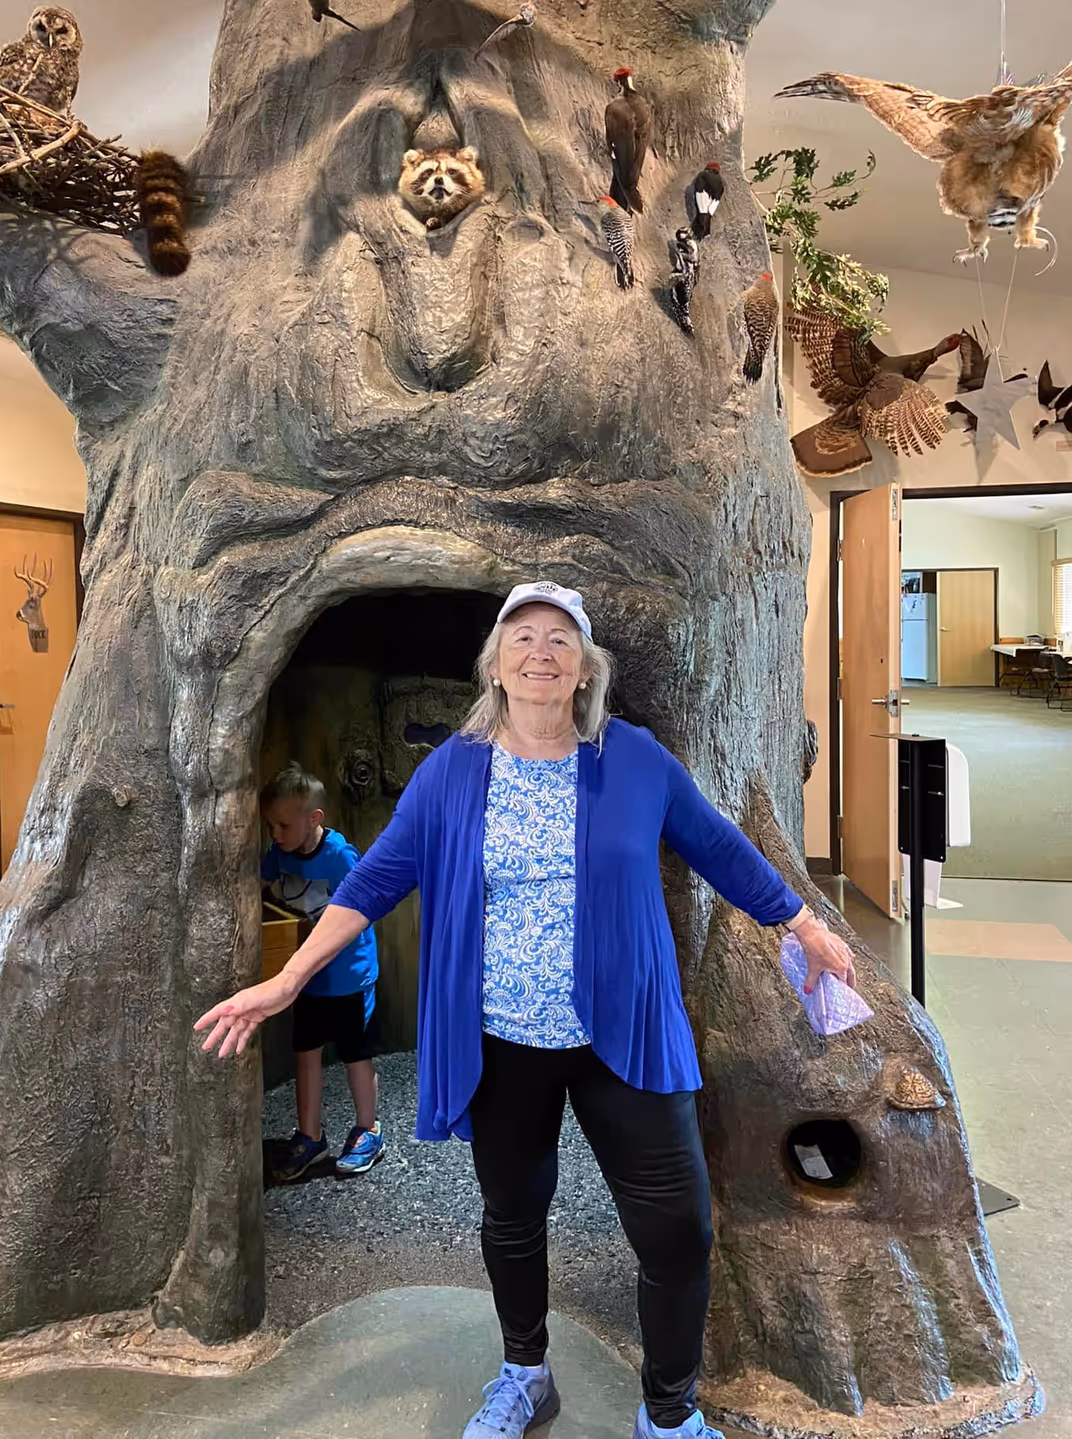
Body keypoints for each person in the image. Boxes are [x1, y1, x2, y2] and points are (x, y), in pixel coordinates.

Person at [198, 583, 855, 1439]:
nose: (540, 652)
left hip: (625, 1030)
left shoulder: (635, 759)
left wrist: (801, 922)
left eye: (559, 639)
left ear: (585, 669)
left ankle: (669, 1414)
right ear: (495, 666)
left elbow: (718, 846)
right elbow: (373, 882)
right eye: (522, 637)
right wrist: (289, 979)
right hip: (501, 1038)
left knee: (678, 1229)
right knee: (513, 1216)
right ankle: (524, 1374)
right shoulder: (451, 773)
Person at [259, 764, 384, 1180]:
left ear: (314, 819)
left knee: (356, 1057)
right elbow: (261, 884)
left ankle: (368, 1129)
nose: (275, 834)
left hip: (348, 978)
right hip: (307, 979)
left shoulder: (340, 857)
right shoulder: (279, 854)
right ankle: (311, 1135)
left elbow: (363, 908)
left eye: (283, 825)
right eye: (271, 825)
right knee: (306, 1056)